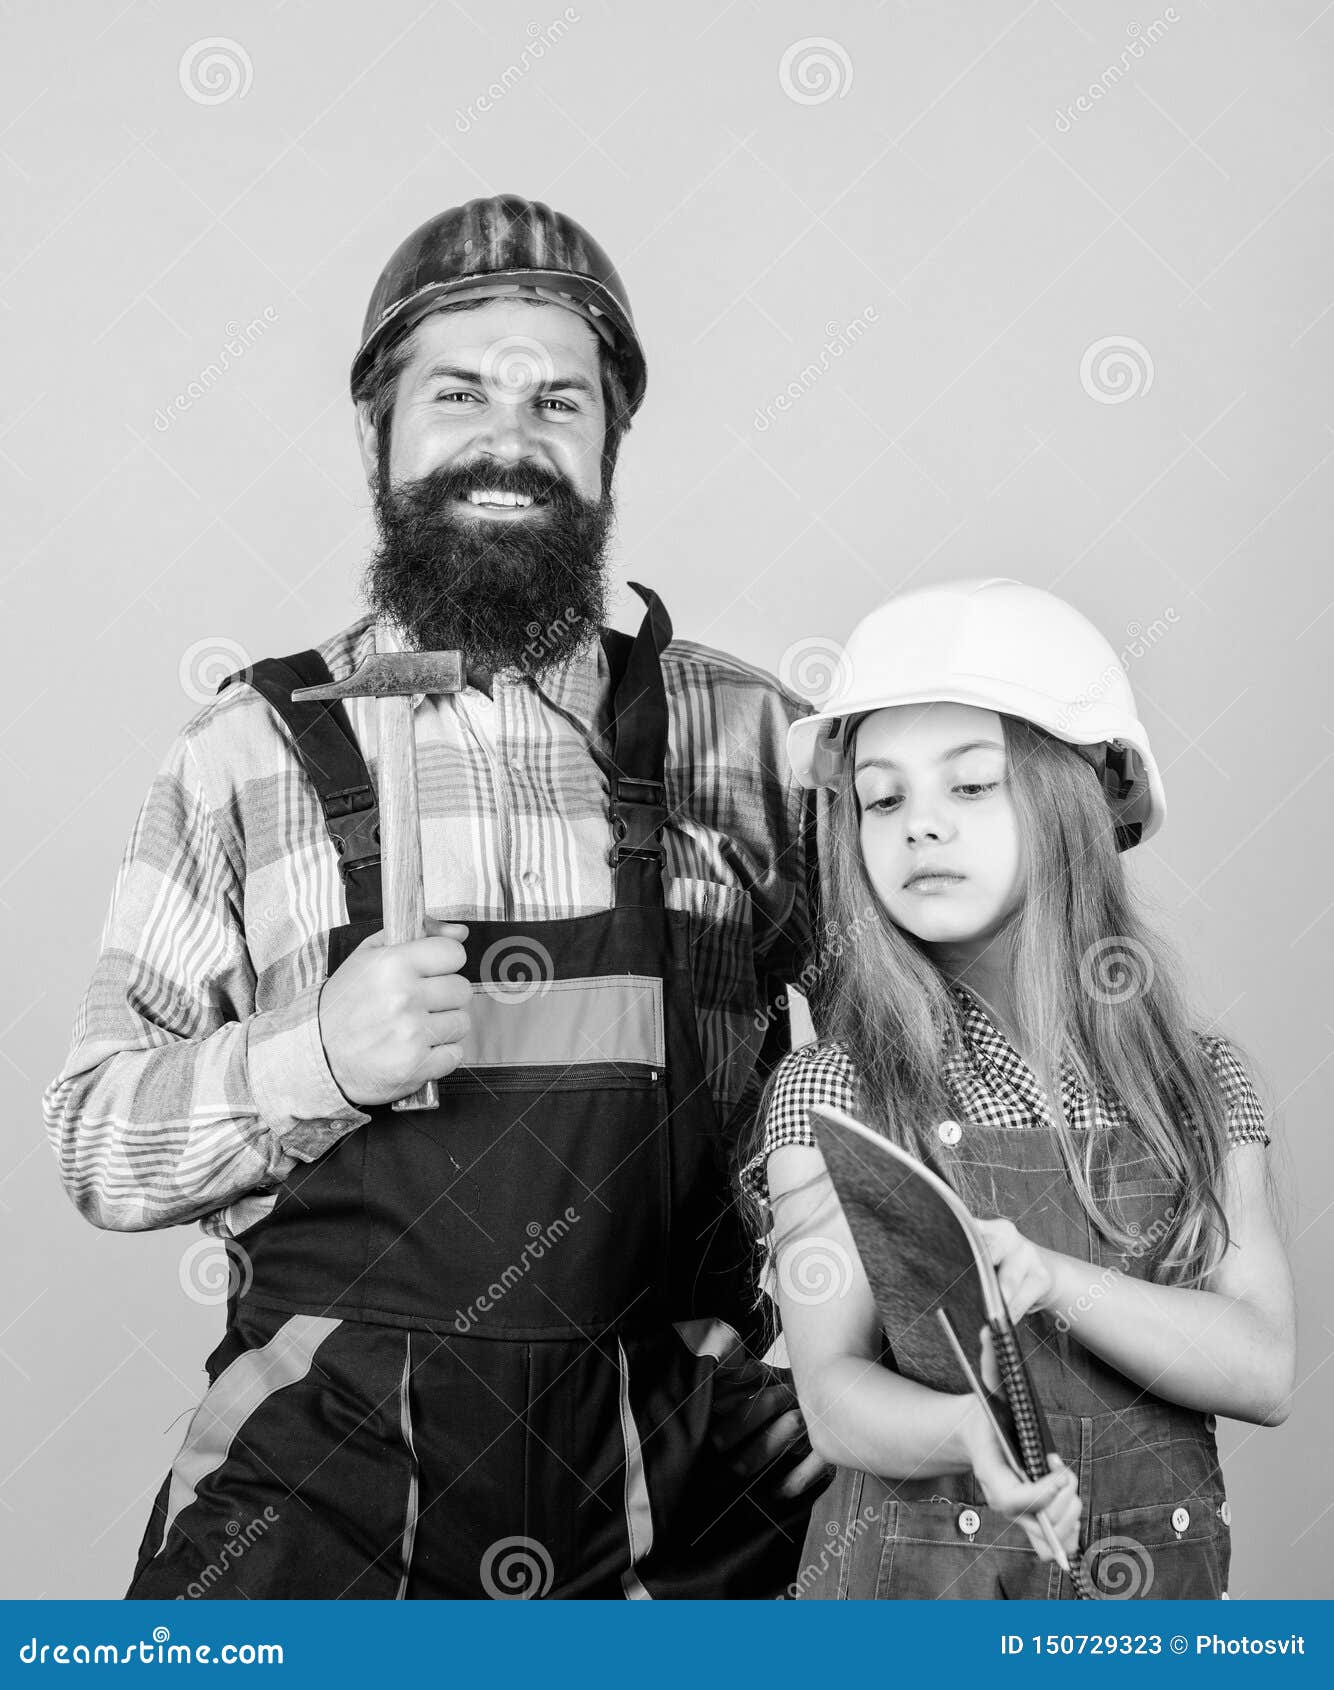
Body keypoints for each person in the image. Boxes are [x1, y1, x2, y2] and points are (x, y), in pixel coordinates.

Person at [43, 195, 829, 1599]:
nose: (508, 440)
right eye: (458, 393)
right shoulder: (248, 755)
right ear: (376, 433)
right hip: (319, 1494)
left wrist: (861, 1346)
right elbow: (95, 1146)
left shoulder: (750, 737)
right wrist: (317, 1061)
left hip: (681, 1501)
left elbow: (922, 1067)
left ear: (609, 442)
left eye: (557, 400)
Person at [740, 577, 1296, 1600]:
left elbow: (1261, 1366)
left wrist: (1046, 1277)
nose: (917, 826)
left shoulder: (1199, 1086)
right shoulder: (831, 1089)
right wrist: (965, 1428)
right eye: (880, 796)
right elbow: (831, 1394)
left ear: (1071, 799)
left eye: (968, 784)